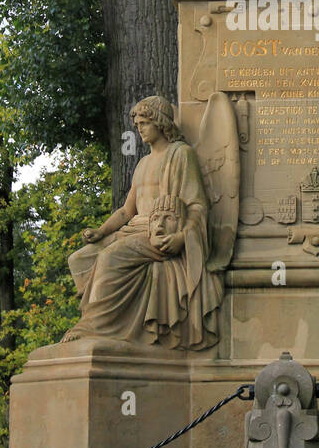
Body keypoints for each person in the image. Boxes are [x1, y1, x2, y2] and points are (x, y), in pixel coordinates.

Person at [63, 95, 222, 351]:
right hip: (134, 229)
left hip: (158, 233)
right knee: (80, 260)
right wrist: (100, 231)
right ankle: (110, 320)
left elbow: (197, 206)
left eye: (145, 123)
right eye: (138, 125)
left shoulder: (181, 155)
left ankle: (95, 326)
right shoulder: (143, 163)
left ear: (160, 123)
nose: (140, 130)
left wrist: (182, 237)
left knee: (109, 258)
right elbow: (127, 211)